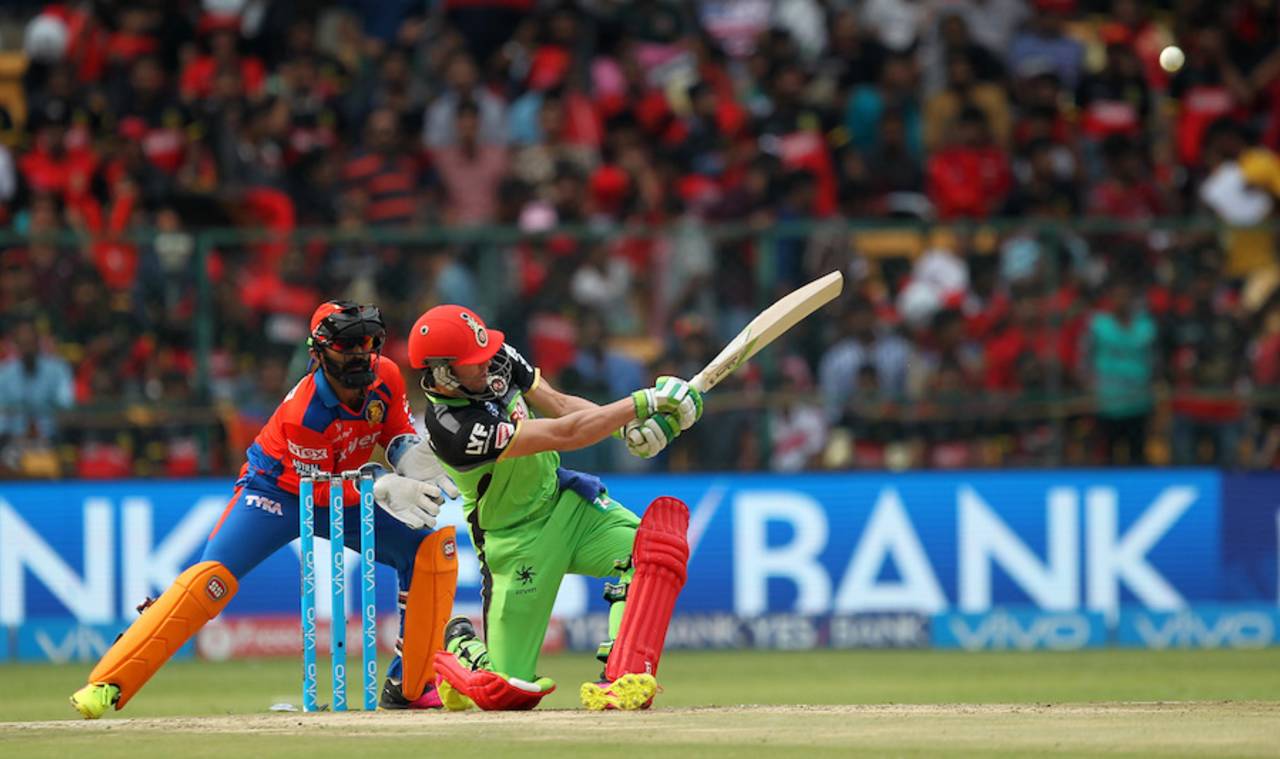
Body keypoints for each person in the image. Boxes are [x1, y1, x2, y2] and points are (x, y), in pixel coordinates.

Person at [70, 301, 462, 718]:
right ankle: (108, 682)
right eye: (347, 345)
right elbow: (316, 490)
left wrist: (407, 456)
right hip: (277, 492)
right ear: (319, 352)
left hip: (344, 489)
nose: (360, 353)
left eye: (367, 342)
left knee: (429, 552)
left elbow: (394, 430)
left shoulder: (385, 376)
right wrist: (380, 486)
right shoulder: (304, 412)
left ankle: (411, 685)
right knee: (209, 581)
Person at [406, 304, 702, 711]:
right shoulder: (453, 429)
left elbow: (561, 405)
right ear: (443, 373)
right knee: (506, 692)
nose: (487, 364)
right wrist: (644, 403)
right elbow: (565, 432)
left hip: (566, 506)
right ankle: (461, 646)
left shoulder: (497, 359)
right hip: (515, 543)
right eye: (473, 362)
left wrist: (624, 430)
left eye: (486, 351)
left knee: (655, 553)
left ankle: (621, 676)